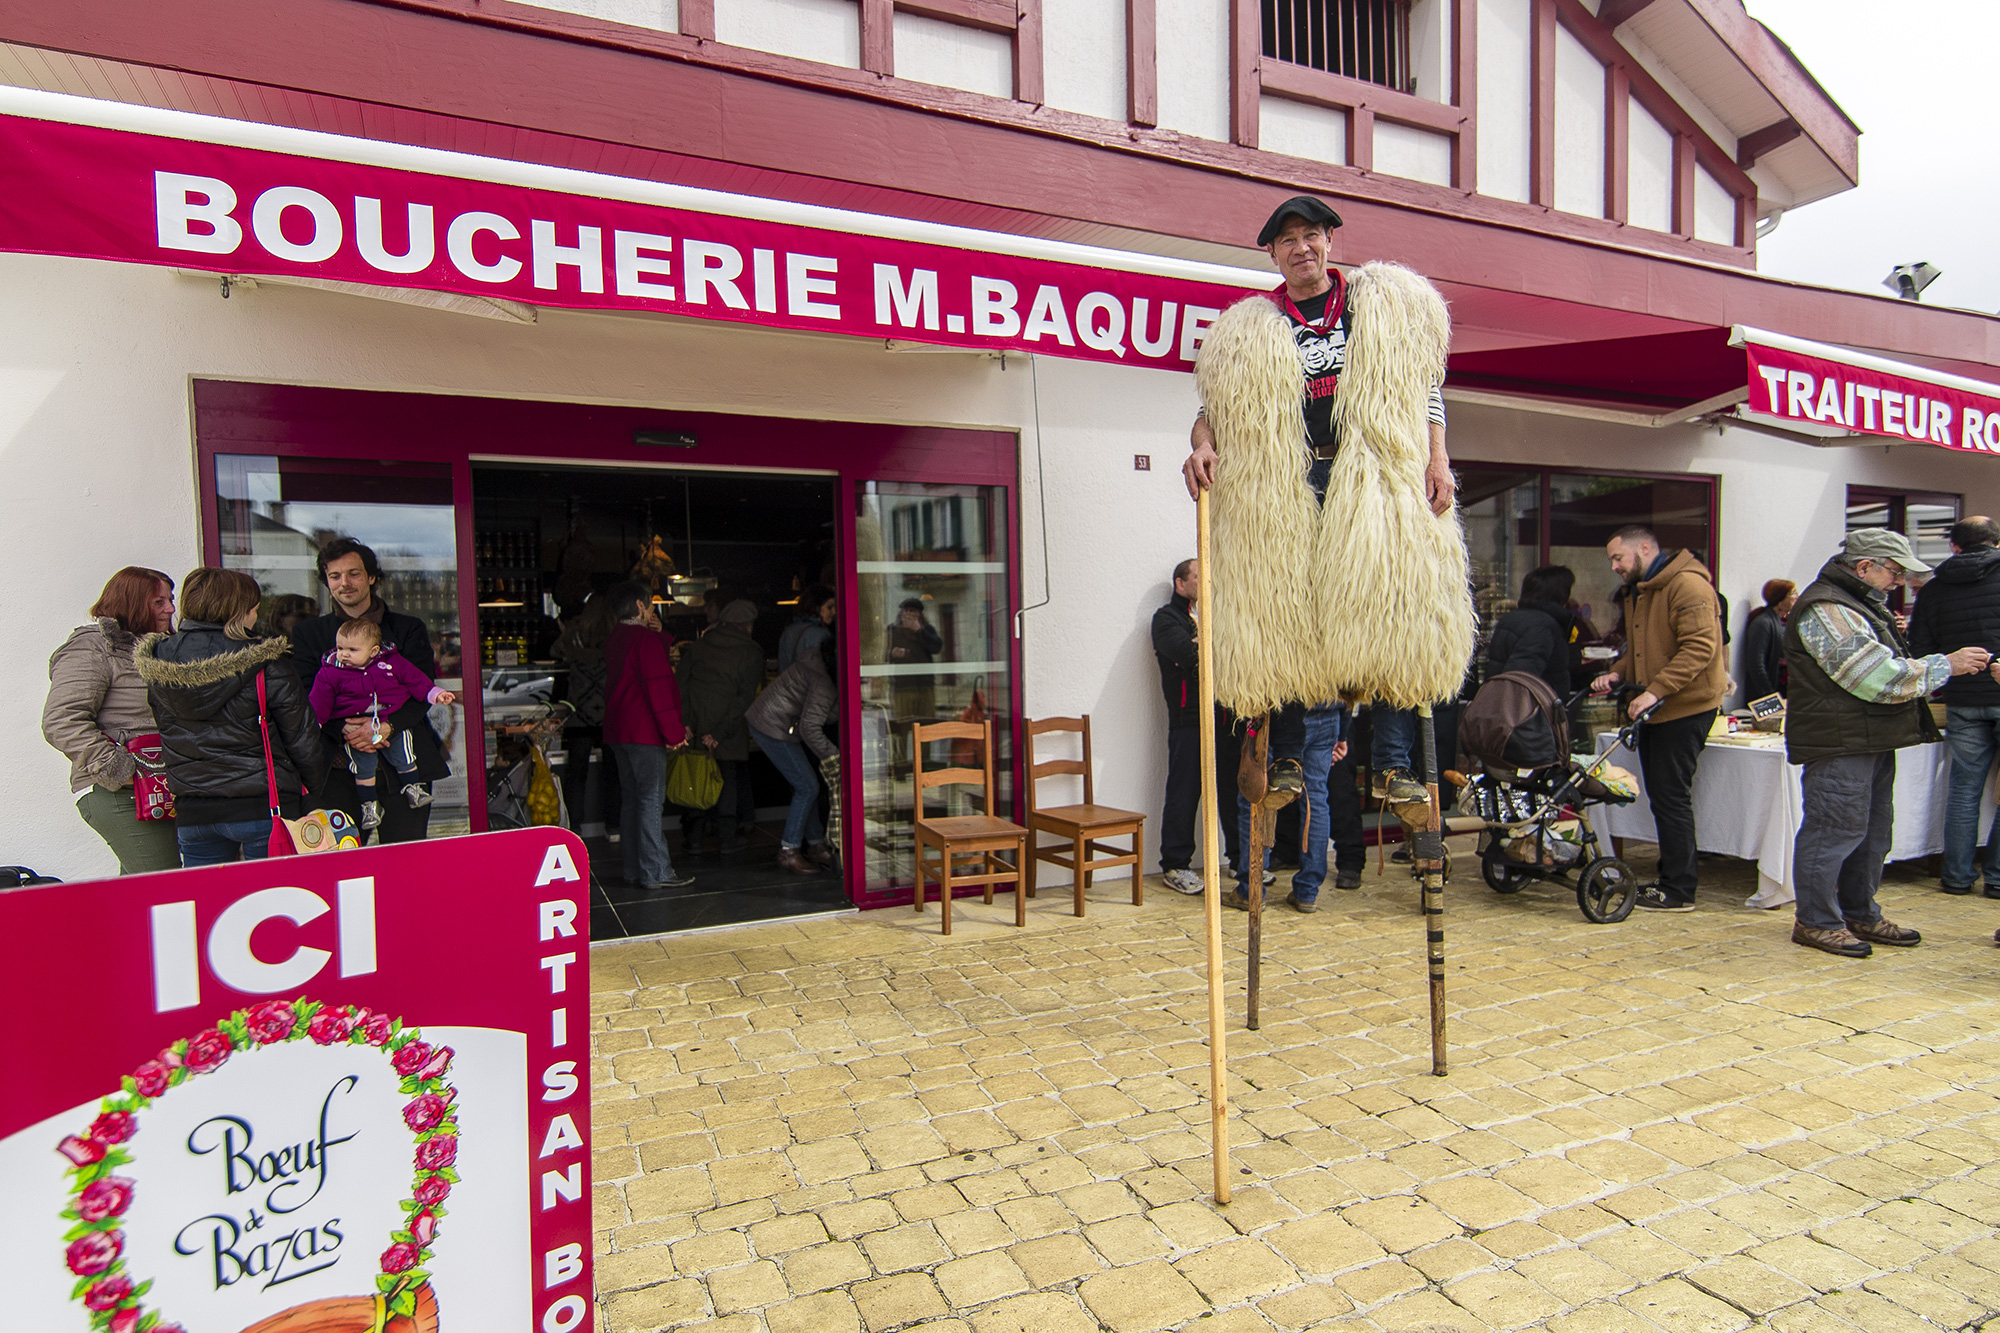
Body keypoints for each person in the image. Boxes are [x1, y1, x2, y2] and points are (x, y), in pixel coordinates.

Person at [1182, 195, 1454, 826]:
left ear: (1330, 240)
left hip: (1374, 471)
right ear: (1272, 254)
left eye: (1310, 235)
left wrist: (1438, 459)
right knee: (1288, 610)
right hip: (1291, 479)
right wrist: (1201, 445)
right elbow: (1213, 410)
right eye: (1287, 241)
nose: (1300, 248)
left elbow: (1424, 391)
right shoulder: (1249, 327)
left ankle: (1390, 764)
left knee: (1391, 604)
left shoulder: (1377, 307)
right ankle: (1287, 759)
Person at [1784, 530, 1989, 956]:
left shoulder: (1857, 604)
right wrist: (1944, 664)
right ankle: (1817, 921)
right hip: (1840, 741)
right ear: (1865, 567)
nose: (1898, 582)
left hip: (1868, 736)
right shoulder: (1826, 607)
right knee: (1833, 831)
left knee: (1873, 833)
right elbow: (1874, 677)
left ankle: (1859, 912)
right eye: (1894, 572)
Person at [134, 567, 330, 867]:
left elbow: (166, 727)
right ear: (236, 610)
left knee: (210, 906)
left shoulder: (158, 661)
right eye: (252, 609)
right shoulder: (266, 661)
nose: (255, 616)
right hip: (265, 807)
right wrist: (312, 792)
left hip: (194, 811)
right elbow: (303, 739)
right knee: (274, 901)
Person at [1591, 524, 1726, 912]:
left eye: (1618, 557)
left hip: (1685, 708)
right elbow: (1647, 649)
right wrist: (1619, 670)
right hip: (1660, 706)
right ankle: (1672, 876)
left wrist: (1654, 690)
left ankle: (1679, 889)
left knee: (1671, 798)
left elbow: (1700, 647)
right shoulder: (1643, 590)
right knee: (1664, 798)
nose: (1614, 566)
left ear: (1645, 548)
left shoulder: (1687, 586)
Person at [289, 539, 449, 844]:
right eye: (335, 576)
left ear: (372, 577)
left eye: (354, 574)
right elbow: (305, 696)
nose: (344, 583)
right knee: (339, 864)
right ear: (326, 581)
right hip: (335, 770)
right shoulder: (309, 634)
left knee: (405, 863)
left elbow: (422, 690)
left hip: (405, 765)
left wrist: (385, 726)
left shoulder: (407, 629)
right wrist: (349, 729)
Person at [41, 567, 183, 873]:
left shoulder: (158, 648)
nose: (171, 608)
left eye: (170, 599)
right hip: (118, 791)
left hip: (159, 787)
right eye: (159, 602)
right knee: (163, 887)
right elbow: (61, 720)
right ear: (132, 603)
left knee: (142, 892)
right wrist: (118, 769)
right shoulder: (93, 647)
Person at [1908, 516, 2000, 897]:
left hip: (1961, 698)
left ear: (1954, 547)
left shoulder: (1933, 588)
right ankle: (1996, 879)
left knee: (1964, 789)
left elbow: (1919, 649)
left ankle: (1957, 876)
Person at [308, 619, 457, 830]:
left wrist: (436, 694)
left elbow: (416, 680)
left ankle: (413, 788)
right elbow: (319, 702)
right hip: (355, 730)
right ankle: (370, 805)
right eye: (340, 648)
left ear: (373, 651)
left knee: (404, 752)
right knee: (363, 766)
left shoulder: (391, 662)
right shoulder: (330, 672)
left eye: (352, 649)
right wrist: (319, 725)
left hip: (390, 718)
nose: (344, 654)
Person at [1151, 558, 1243, 894]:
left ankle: (1241, 861)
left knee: (1233, 793)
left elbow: (1236, 653)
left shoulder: (1219, 617)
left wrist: (1209, 647)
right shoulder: (1166, 618)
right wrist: (1211, 649)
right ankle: (1176, 865)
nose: (1206, 582)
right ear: (1180, 584)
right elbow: (1187, 655)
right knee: (1184, 793)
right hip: (1190, 720)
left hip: (1226, 718)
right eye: (1198, 576)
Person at [603, 580, 694, 890]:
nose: (653, 609)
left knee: (632, 801)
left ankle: (634, 870)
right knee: (650, 802)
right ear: (640, 606)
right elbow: (657, 687)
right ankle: (656, 872)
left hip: (618, 730)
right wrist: (674, 732)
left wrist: (657, 633)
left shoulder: (616, 638)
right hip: (643, 732)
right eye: (651, 605)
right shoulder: (645, 641)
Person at [677, 598, 765, 855]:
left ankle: (693, 838)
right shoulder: (752, 652)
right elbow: (744, 698)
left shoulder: (699, 646)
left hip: (695, 724)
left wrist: (684, 722)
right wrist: (719, 732)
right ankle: (727, 839)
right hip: (727, 727)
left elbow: (679, 684)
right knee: (726, 779)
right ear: (747, 626)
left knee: (697, 777)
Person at [747, 637, 840, 874]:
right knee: (807, 786)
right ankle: (789, 851)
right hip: (771, 726)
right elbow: (810, 726)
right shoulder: (824, 680)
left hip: (775, 721)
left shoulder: (818, 661)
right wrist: (835, 757)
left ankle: (817, 845)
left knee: (807, 785)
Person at [553, 589, 621, 838]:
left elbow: (553, 653)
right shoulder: (616, 640)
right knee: (613, 772)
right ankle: (614, 826)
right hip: (610, 714)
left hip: (579, 715)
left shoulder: (574, 636)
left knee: (576, 773)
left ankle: (574, 827)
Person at [1487, 565, 1578, 695]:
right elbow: (1521, 678)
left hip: (1501, 702)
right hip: (1532, 709)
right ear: (1560, 594)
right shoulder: (1542, 626)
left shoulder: (1512, 618)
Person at [1740, 578, 1796, 702]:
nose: (1797, 597)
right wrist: (1769, 695)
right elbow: (1756, 663)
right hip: (1770, 691)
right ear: (1780, 600)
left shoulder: (1787, 621)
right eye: (1792, 594)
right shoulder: (1763, 623)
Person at [779, 584, 836, 672]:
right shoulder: (820, 635)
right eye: (829, 607)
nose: (834, 612)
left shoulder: (789, 631)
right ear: (816, 608)